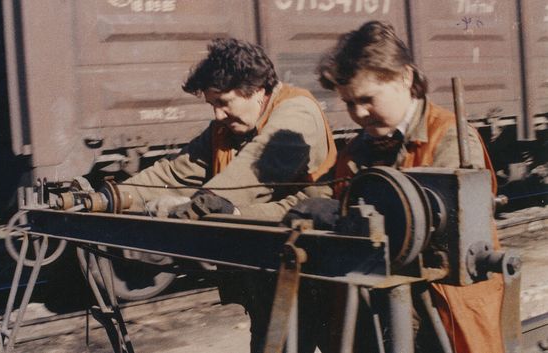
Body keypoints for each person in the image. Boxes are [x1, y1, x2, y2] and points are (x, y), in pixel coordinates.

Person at [115, 37, 337, 352]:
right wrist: (111, 197)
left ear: (258, 91)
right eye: (212, 105)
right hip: (269, 268)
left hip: (317, 269)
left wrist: (198, 205)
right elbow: (175, 172)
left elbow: (256, 169)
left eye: (224, 102)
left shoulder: (297, 111)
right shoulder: (225, 130)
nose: (218, 114)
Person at [312, 21, 504, 352]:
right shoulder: (355, 152)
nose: (358, 113)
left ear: (405, 77)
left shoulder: (450, 138)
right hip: (375, 305)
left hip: (443, 308)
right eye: (349, 103)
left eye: (368, 99)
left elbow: (440, 233)